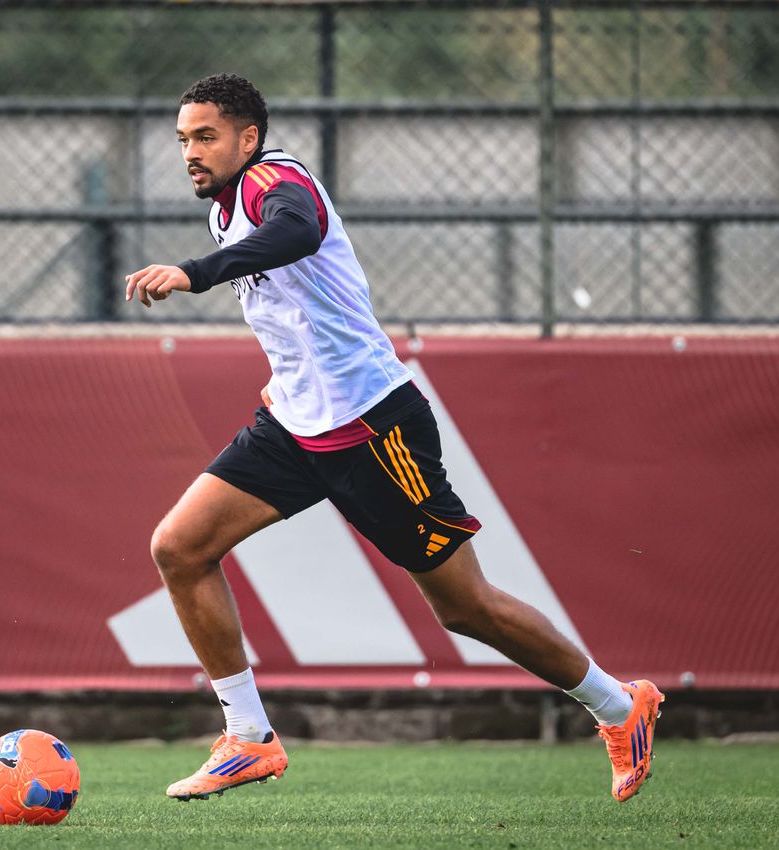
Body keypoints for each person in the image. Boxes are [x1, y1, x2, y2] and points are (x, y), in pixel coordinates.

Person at [124, 73, 663, 804]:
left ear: (246, 138)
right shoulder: (225, 205)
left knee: (463, 607)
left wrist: (193, 274)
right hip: (294, 422)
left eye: (206, 136)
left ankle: (617, 705)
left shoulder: (273, 180)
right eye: (184, 139)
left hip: (373, 428)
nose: (191, 151)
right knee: (179, 548)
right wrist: (290, 379)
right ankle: (247, 737)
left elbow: (297, 232)